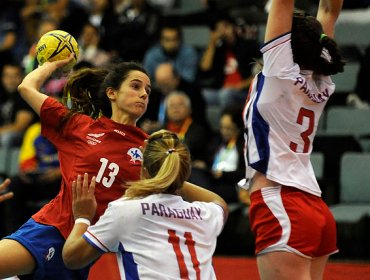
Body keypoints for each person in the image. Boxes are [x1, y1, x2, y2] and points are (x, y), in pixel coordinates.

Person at [0, 56, 151, 279]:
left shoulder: (149, 147)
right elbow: (26, 87)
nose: (144, 94)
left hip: (83, 252)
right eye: (135, 86)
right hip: (51, 230)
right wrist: (52, 65)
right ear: (112, 93)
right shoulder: (80, 126)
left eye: (148, 90)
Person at [242, 0, 345, 279]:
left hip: (281, 201)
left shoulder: (280, 72)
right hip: (314, 207)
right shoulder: (320, 78)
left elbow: (284, 4)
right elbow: (329, 11)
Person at [62, 129, 228, 279]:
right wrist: (173, 176)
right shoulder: (205, 214)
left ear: (144, 170)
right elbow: (219, 203)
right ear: (185, 172)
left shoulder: (126, 210)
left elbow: (72, 258)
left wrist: (82, 217)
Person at [3, 121, 61, 234]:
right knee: (14, 183)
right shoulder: (35, 130)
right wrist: (28, 172)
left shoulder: (73, 129)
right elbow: (26, 162)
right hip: (41, 177)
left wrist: (59, 172)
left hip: (63, 179)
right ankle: (13, 234)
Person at [198, 13, 261, 109]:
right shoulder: (219, 50)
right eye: (219, 29)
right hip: (221, 91)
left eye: (226, 26)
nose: (223, 31)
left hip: (243, 91)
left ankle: (227, 120)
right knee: (201, 94)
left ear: (232, 26)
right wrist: (212, 43)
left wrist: (239, 86)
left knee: (225, 94)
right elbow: (205, 68)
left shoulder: (248, 45)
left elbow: (261, 71)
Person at [139, 63, 208, 134]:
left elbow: (199, 119)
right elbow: (143, 117)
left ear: (177, 79)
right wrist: (145, 125)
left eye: (166, 84)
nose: (163, 88)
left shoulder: (192, 92)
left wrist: (163, 126)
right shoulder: (155, 92)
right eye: (160, 84)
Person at [0, 61, 38, 148]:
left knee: (7, 137)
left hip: (27, 136)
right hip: (5, 131)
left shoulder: (25, 95)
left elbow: (20, 126)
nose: (10, 80)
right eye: (7, 76)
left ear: (22, 77)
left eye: (15, 76)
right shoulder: (3, 95)